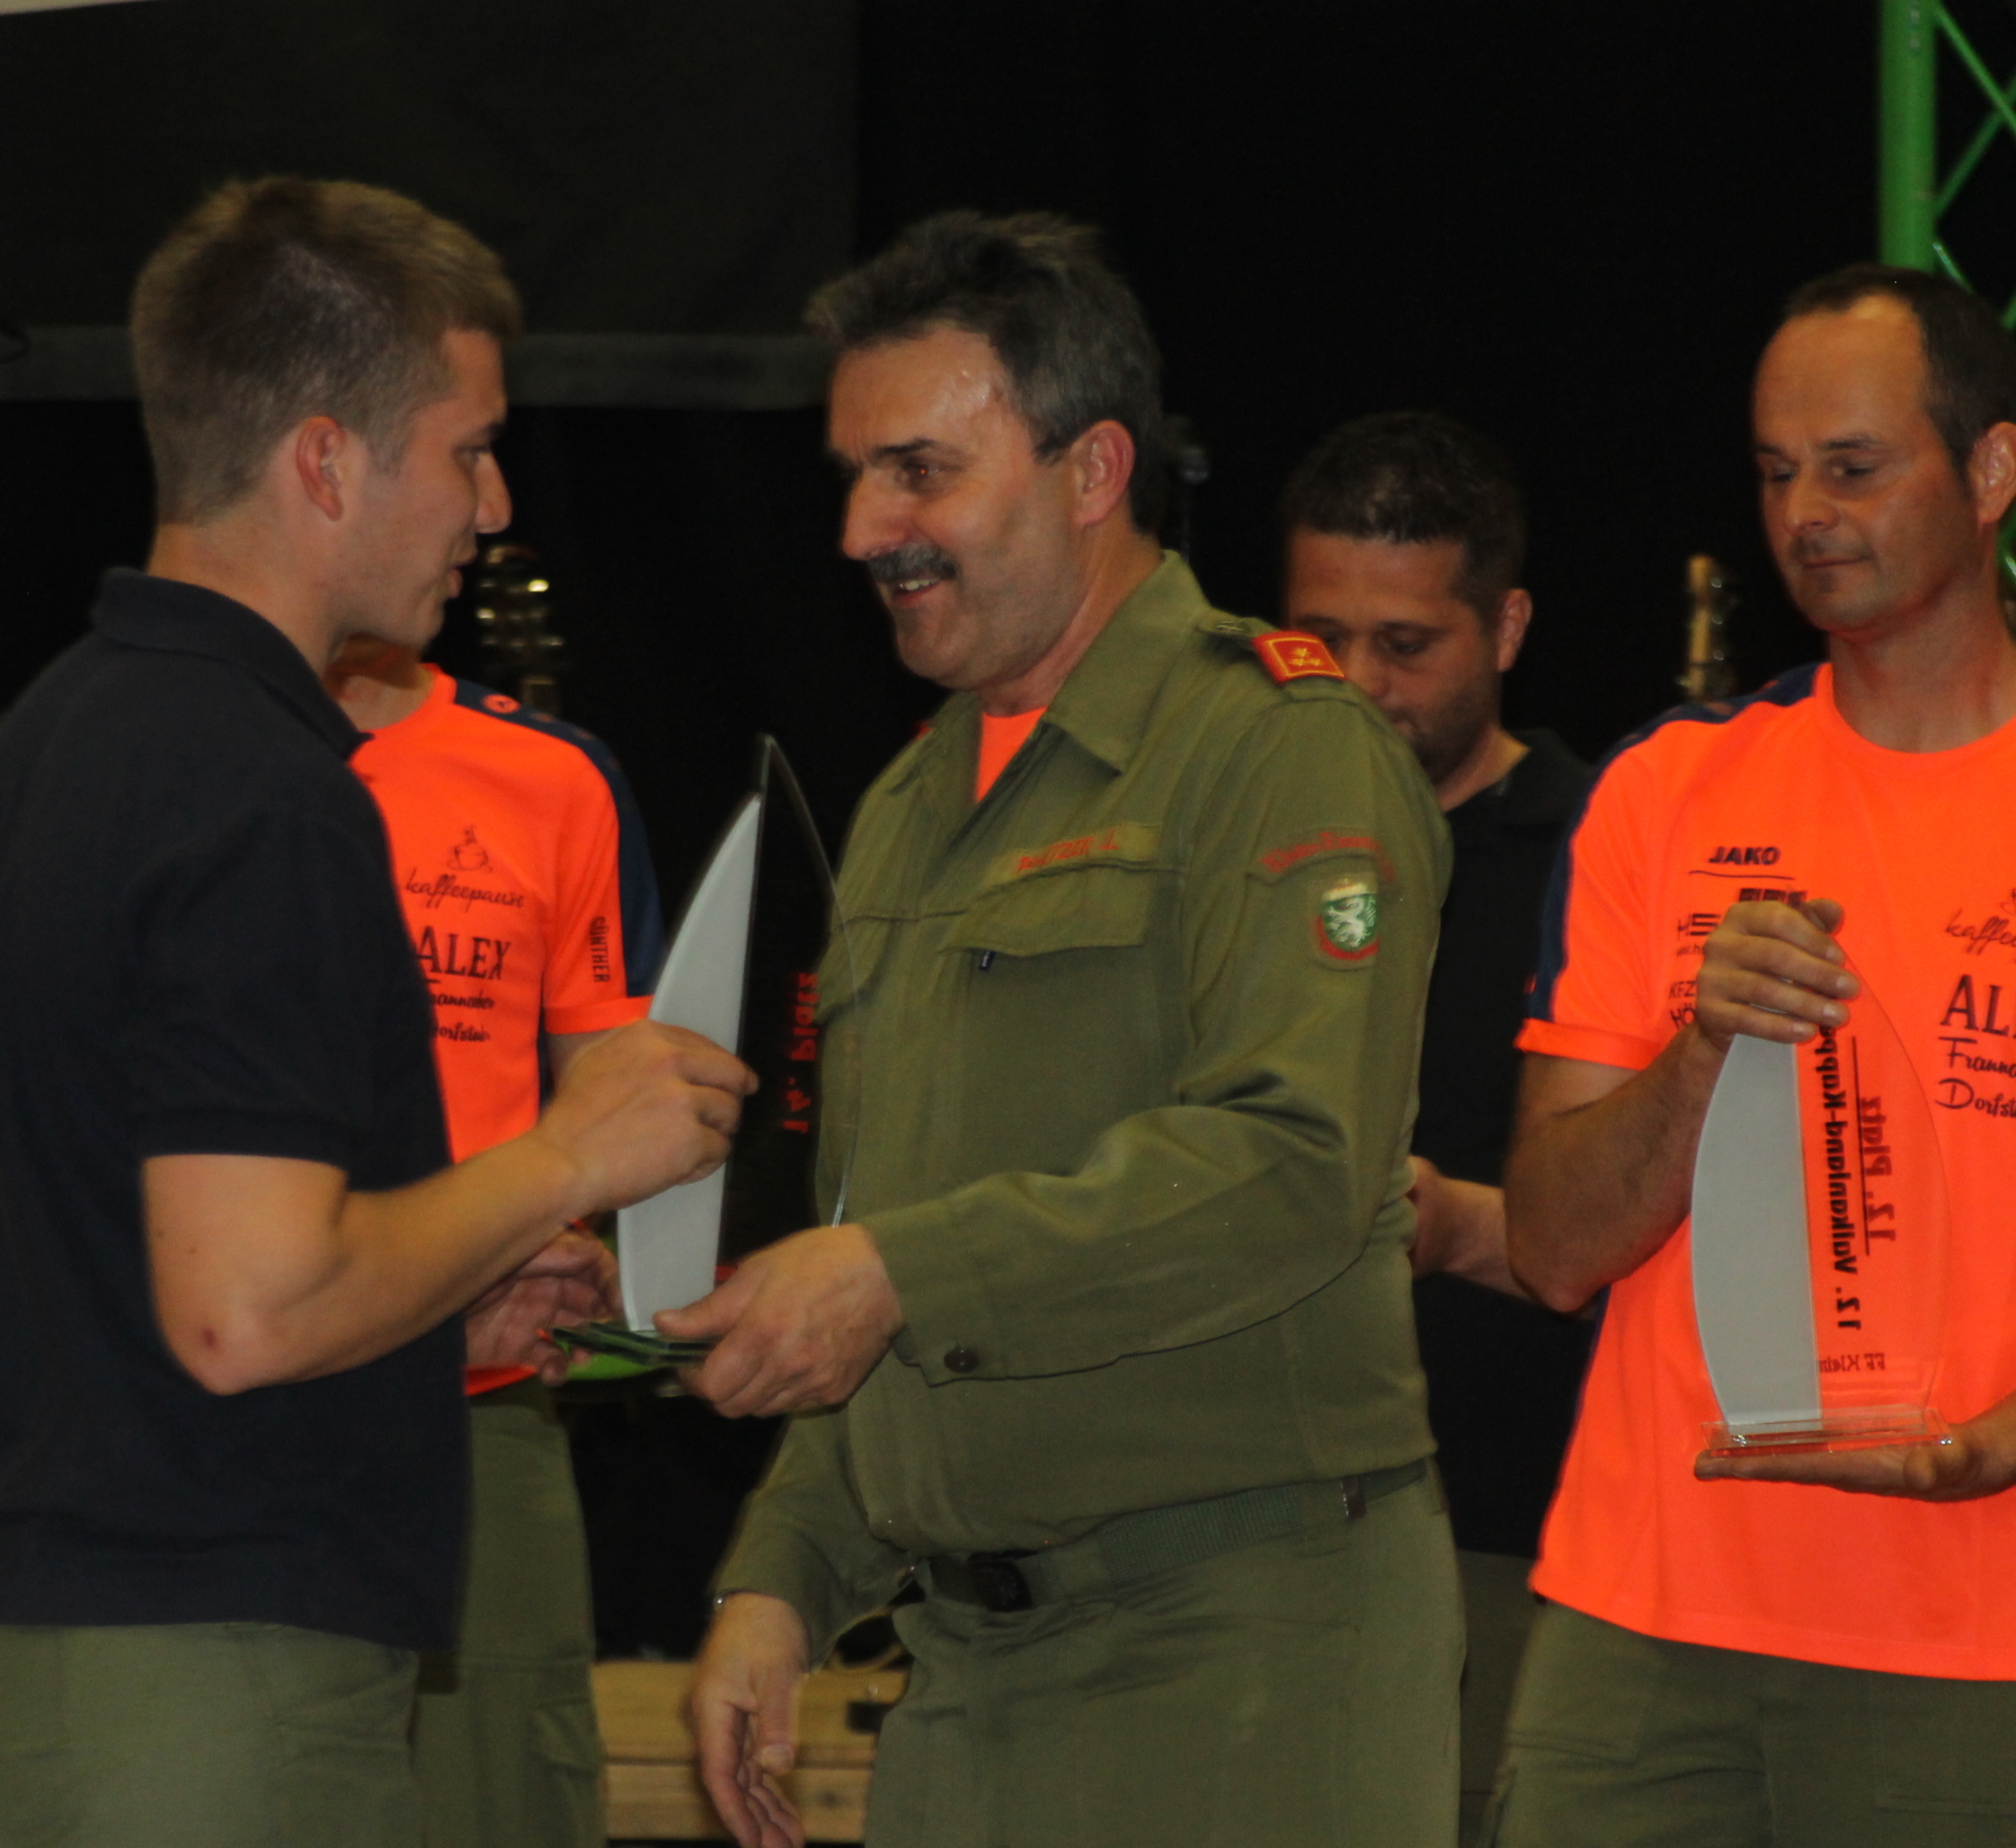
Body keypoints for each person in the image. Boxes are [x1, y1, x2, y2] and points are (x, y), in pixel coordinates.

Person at [0, 177, 752, 1848]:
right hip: (208, 1675)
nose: (493, 507)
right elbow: (244, 1312)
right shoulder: (265, 785)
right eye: (468, 451)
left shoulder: (45, 744)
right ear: (325, 460)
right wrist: (568, 1156)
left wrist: (424, 1318)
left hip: (30, 1651)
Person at [670, 210, 1461, 1848]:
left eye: (920, 473)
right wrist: (780, 1582)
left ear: (1094, 470)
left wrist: (896, 1271)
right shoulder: (911, 806)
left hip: (1240, 1651)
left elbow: (1293, 1166)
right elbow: (868, 1241)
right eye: (854, 477)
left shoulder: (1280, 746)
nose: (865, 531)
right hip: (968, 1675)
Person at [1496, 263, 2016, 1844]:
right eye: (1778, 472)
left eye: (1854, 467)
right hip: (1646, 1618)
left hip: (1971, 1638)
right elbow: (1551, 1248)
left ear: (1993, 468)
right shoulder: (1666, 794)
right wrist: (1702, 1052)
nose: (1807, 516)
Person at [1276, 412, 1596, 1832]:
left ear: (1507, 626)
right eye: (1318, 640)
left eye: (1405, 645)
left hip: (1504, 1543)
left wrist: (1461, 1225)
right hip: (1237, 1547)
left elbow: (1682, 1236)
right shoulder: (1233, 846)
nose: (1358, 685)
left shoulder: (1600, 853)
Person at [327, 633, 664, 1848]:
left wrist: (571, 1255)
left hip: (480, 1413)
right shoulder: (172, 752)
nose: (471, 534)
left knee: (504, 1800)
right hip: (221, 1402)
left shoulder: (549, 775)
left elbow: (628, 1106)